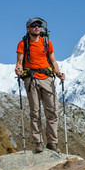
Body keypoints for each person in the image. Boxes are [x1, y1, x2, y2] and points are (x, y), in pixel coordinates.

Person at [15, 17, 65, 153]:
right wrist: (18, 69)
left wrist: (58, 73)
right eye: (34, 25)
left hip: (47, 79)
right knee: (35, 112)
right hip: (31, 79)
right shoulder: (23, 44)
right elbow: (19, 62)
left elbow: (53, 61)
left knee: (53, 111)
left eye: (39, 25)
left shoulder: (47, 42)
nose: (37, 27)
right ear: (28, 29)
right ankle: (38, 143)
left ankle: (52, 143)